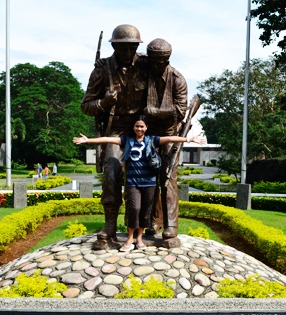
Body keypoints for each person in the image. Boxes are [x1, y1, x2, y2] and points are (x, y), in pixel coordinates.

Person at [73, 115, 206, 251]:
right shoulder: (128, 141)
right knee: (134, 209)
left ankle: (140, 239)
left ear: (146, 128)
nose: (139, 129)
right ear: (133, 127)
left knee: (145, 211)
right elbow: (108, 139)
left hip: (149, 182)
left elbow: (170, 138)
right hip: (133, 182)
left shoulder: (152, 140)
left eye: (142, 126)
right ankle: (130, 238)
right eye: (137, 126)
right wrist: (88, 140)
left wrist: (189, 139)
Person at [81, 24, 149, 246]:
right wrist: (104, 102)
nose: (128, 53)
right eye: (123, 48)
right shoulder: (102, 70)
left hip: (141, 128)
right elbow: (86, 106)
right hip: (116, 129)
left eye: (132, 48)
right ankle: (110, 224)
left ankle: (151, 223)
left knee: (152, 172)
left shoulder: (147, 66)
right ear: (114, 47)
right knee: (111, 172)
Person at [143, 38, 189, 240]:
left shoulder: (178, 79)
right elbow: (128, 57)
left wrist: (154, 112)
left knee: (168, 177)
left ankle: (171, 225)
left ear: (167, 59)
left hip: (170, 134)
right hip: (149, 135)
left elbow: (180, 111)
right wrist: (103, 63)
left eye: (160, 61)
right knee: (150, 178)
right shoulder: (145, 70)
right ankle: (153, 222)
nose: (155, 65)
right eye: (152, 60)